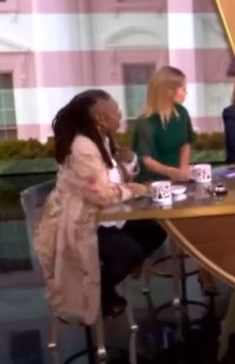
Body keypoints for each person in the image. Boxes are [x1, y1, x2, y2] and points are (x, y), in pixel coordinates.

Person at [34, 90, 166, 323]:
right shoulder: (83, 147)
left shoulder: (103, 140)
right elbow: (102, 194)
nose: (120, 115)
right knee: (129, 252)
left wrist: (130, 162)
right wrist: (136, 190)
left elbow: (115, 179)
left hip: (105, 216)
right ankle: (99, 291)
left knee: (155, 231)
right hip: (81, 222)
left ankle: (108, 282)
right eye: (116, 112)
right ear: (100, 119)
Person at [133, 66, 196, 182]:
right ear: (169, 91)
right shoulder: (146, 122)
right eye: (183, 89)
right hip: (154, 181)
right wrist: (170, 172)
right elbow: (147, 160)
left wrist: (183, 167)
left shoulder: (182, 113)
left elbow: (186, 143)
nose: (186, 93)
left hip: (178, 178)